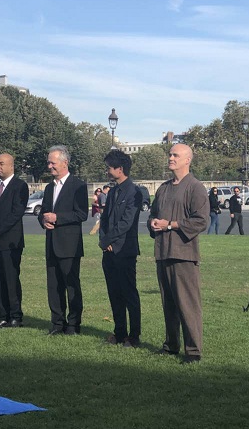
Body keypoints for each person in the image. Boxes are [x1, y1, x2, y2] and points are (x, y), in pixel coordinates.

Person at [148, 144, 209, 363]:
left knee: (188, 304)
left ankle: (193, 351)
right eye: (170, 154)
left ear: (187, 160)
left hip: (183, 254)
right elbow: (154, 215)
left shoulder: (195, 187)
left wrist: (170, 225)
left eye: (176, 155)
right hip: (163, 252)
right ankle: (171, 345)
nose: (170, 158)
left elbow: (201, 220)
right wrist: (153, 223)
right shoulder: (163, 188)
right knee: (169, 303)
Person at [38, 145, 88, 335]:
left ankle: (73, 325)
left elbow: (81, 214)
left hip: (69, 245)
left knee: (71, 285)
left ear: (65, 163)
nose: (49, 166)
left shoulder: (78, 185)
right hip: (51, 244)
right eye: (48, 162)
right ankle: (57, 323)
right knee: (54, 286)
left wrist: (57, 218)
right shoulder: (49, 187)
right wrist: (44, 220)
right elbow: (43, 213)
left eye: (53, 162)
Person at [98, 149, 143, 348]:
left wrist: (109, 240)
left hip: (125, 251)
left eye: (109, 167)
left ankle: (133, 337)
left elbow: (126, 223)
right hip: (109, 250)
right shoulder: (113, 190)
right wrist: (104, 241)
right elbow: (105, 219)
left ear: (120, 169)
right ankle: (119, 332)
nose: (107, 171)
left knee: (129, 294)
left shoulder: (135, 192)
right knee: (114, 294)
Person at [0, 153, 30, 328]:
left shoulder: (20, 186)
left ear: (11, 166)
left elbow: (16, 213)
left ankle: (15, 316)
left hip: (10, 242)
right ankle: (3, 315)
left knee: (11, 279)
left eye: (1, 164)